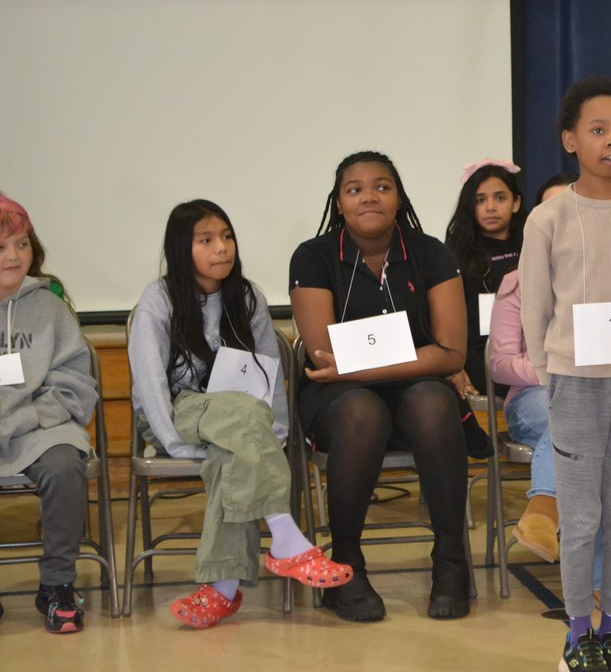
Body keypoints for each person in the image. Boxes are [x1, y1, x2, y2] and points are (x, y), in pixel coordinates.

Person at [129, 199, 351, 630]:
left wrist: (277, 431)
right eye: (206, 240)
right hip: (178, 412)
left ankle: (222, 590)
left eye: (227, 237)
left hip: (240, 422)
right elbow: (149, 382)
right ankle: (286, 538)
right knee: (245, 419)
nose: (222, 249)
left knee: (233, 455)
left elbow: (269, 372)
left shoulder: (247, 297)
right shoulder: (158, 299)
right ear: (181, 249)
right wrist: (173, 442)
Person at [290, 151, 472, 622]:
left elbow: (453, 353)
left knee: (434, 402)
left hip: (413, 390)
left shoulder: (431, 252)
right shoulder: (312, 257)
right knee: (362, 411)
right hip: (338, 402)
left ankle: (452, 560)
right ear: (339, 201)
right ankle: (345, 563)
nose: (368, 196)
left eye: (381, 186)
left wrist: (359, 367)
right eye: (354, 189)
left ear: (398, 197)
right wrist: (375, 368)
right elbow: (322, 356)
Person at [519, 76, 611, 672]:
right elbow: (536, 307)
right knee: (581, 519)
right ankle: (577, 631)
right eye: (598, 130)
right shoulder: (549, 217)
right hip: (574, 381)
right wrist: (550, 374)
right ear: (570, 139)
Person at [490, 172, 611, 615]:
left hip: (603, 385)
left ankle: (545, 509)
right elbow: (501, 362)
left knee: (591, 434)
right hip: (534, 393)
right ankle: (607, 577)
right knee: (570, 415)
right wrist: (561, 367)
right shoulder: (514, 285)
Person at [0, 194, 96, 633]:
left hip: (41, 426)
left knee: (63, 467)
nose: (13, 256)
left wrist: (25, 419)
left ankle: (56, 585)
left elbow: (75, 383)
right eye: (1, 247)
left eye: (21, 244)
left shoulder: (51, 308)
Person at [444, 159, 526, 397]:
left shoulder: (535, 244)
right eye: (480, 200)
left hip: (533, 347)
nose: (490, 207)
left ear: (516, 203)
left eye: (500, 198)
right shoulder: (453, 255)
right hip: (481, 353)